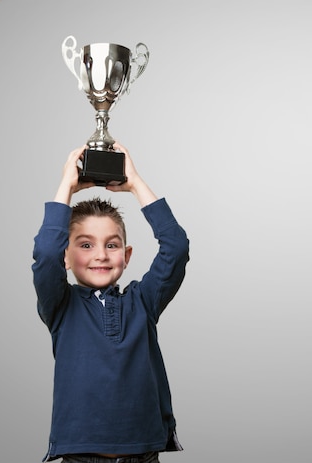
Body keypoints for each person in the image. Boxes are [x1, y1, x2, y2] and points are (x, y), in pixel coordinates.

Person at [32, 143, 189, 463]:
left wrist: (134, 183)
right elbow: (46, 253)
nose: (101, 255)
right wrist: (66, 185)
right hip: (81, 457)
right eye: (86, 245)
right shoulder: (61, 307)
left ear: (127, 255)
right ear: (67, 256)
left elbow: (176, 247)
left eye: (112, 245)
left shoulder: (143, 302)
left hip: (143, 456)